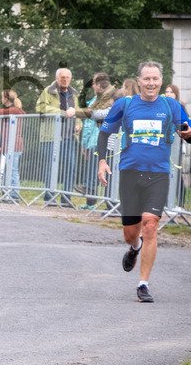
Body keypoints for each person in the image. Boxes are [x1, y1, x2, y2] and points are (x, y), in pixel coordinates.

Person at [98, 61, 191, 303]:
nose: (151, 83)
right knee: (131, 233)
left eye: (155, 79)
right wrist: (102, 161)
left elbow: (187, 131)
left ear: (161, 81)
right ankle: (134, 247)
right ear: (139, 81)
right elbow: (105, 132)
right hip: (130, 173)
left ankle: (143, 285)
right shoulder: (125, 104)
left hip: (158, 174)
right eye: (146, 79)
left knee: (150, 225)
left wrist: (188, 134)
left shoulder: (172, 105)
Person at [35, 67, 79, 207]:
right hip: (51, 136)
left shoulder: (74, 94)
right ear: (56, 78)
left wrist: (79, 125)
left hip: (69, 137)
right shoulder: (48, 91)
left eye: (67, 77)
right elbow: (40, 107)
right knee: (51, 167)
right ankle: (49, 197)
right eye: (62, 77)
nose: (65, 79)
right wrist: (61, 112)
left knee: (70, 167)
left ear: (70, 79)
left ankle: (66, 199)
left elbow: (77, 113)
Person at [74, 73, 117, 207]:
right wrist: (85, 144)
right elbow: (89, 121)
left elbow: (94, 114)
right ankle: (91, 201)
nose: (93, 86)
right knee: (94, 169)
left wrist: (75, 112)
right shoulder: (97, 98)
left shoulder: (108, 96)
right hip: (94, 138)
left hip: (102, 137)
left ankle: (105, 202)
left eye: (93, 83)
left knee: (98, 169)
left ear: (98, 85)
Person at [0, 90, 24, 203]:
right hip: (8, 145)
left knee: (13, 170)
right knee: (8, 170)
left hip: (14, 145)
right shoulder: (10, 110)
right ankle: (8, 193)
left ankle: (14, 195)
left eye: (2, 97)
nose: (1, 100)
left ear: (6, 99)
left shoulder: (14, 110)